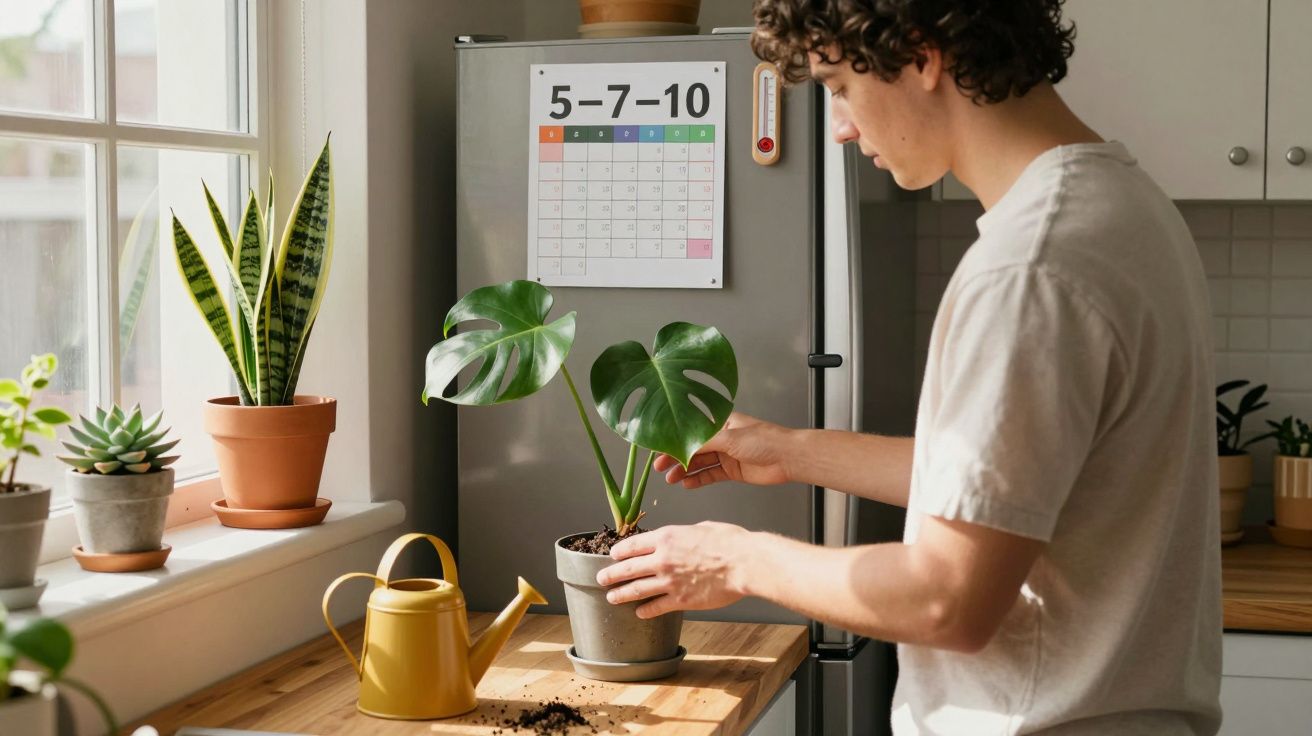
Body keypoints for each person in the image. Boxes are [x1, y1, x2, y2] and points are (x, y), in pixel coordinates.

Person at [595, 1, 1223, 733]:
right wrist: (788, 450)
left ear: (922, 56)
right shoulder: (1122, 204)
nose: (839, 126)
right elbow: (1010, 490)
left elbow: (945, 598)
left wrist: (734, 559)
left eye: (839, 87)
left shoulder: (1029, 269)